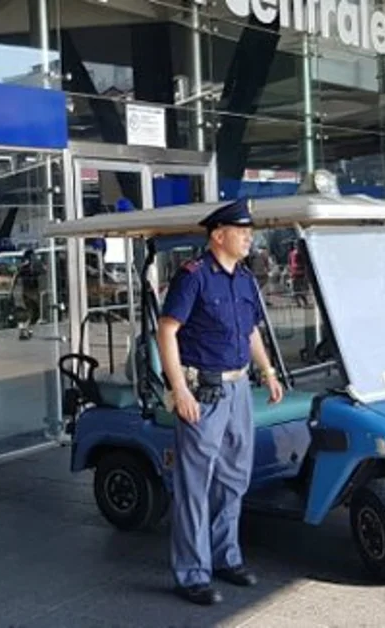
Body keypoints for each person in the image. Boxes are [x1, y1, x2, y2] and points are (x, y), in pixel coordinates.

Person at [155, 198, 284, 606]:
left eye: (249, 231)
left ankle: (226, 556)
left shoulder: (244, 279)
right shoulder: (192, 276)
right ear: (218, 235)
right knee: (194, 484)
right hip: (203, 392)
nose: (249, 237)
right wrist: (179, 389)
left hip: (238, 388)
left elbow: (251, 333)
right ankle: (192, 573)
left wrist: (268, 371)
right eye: (242, 231)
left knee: (234, 477)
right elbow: (167, 331)